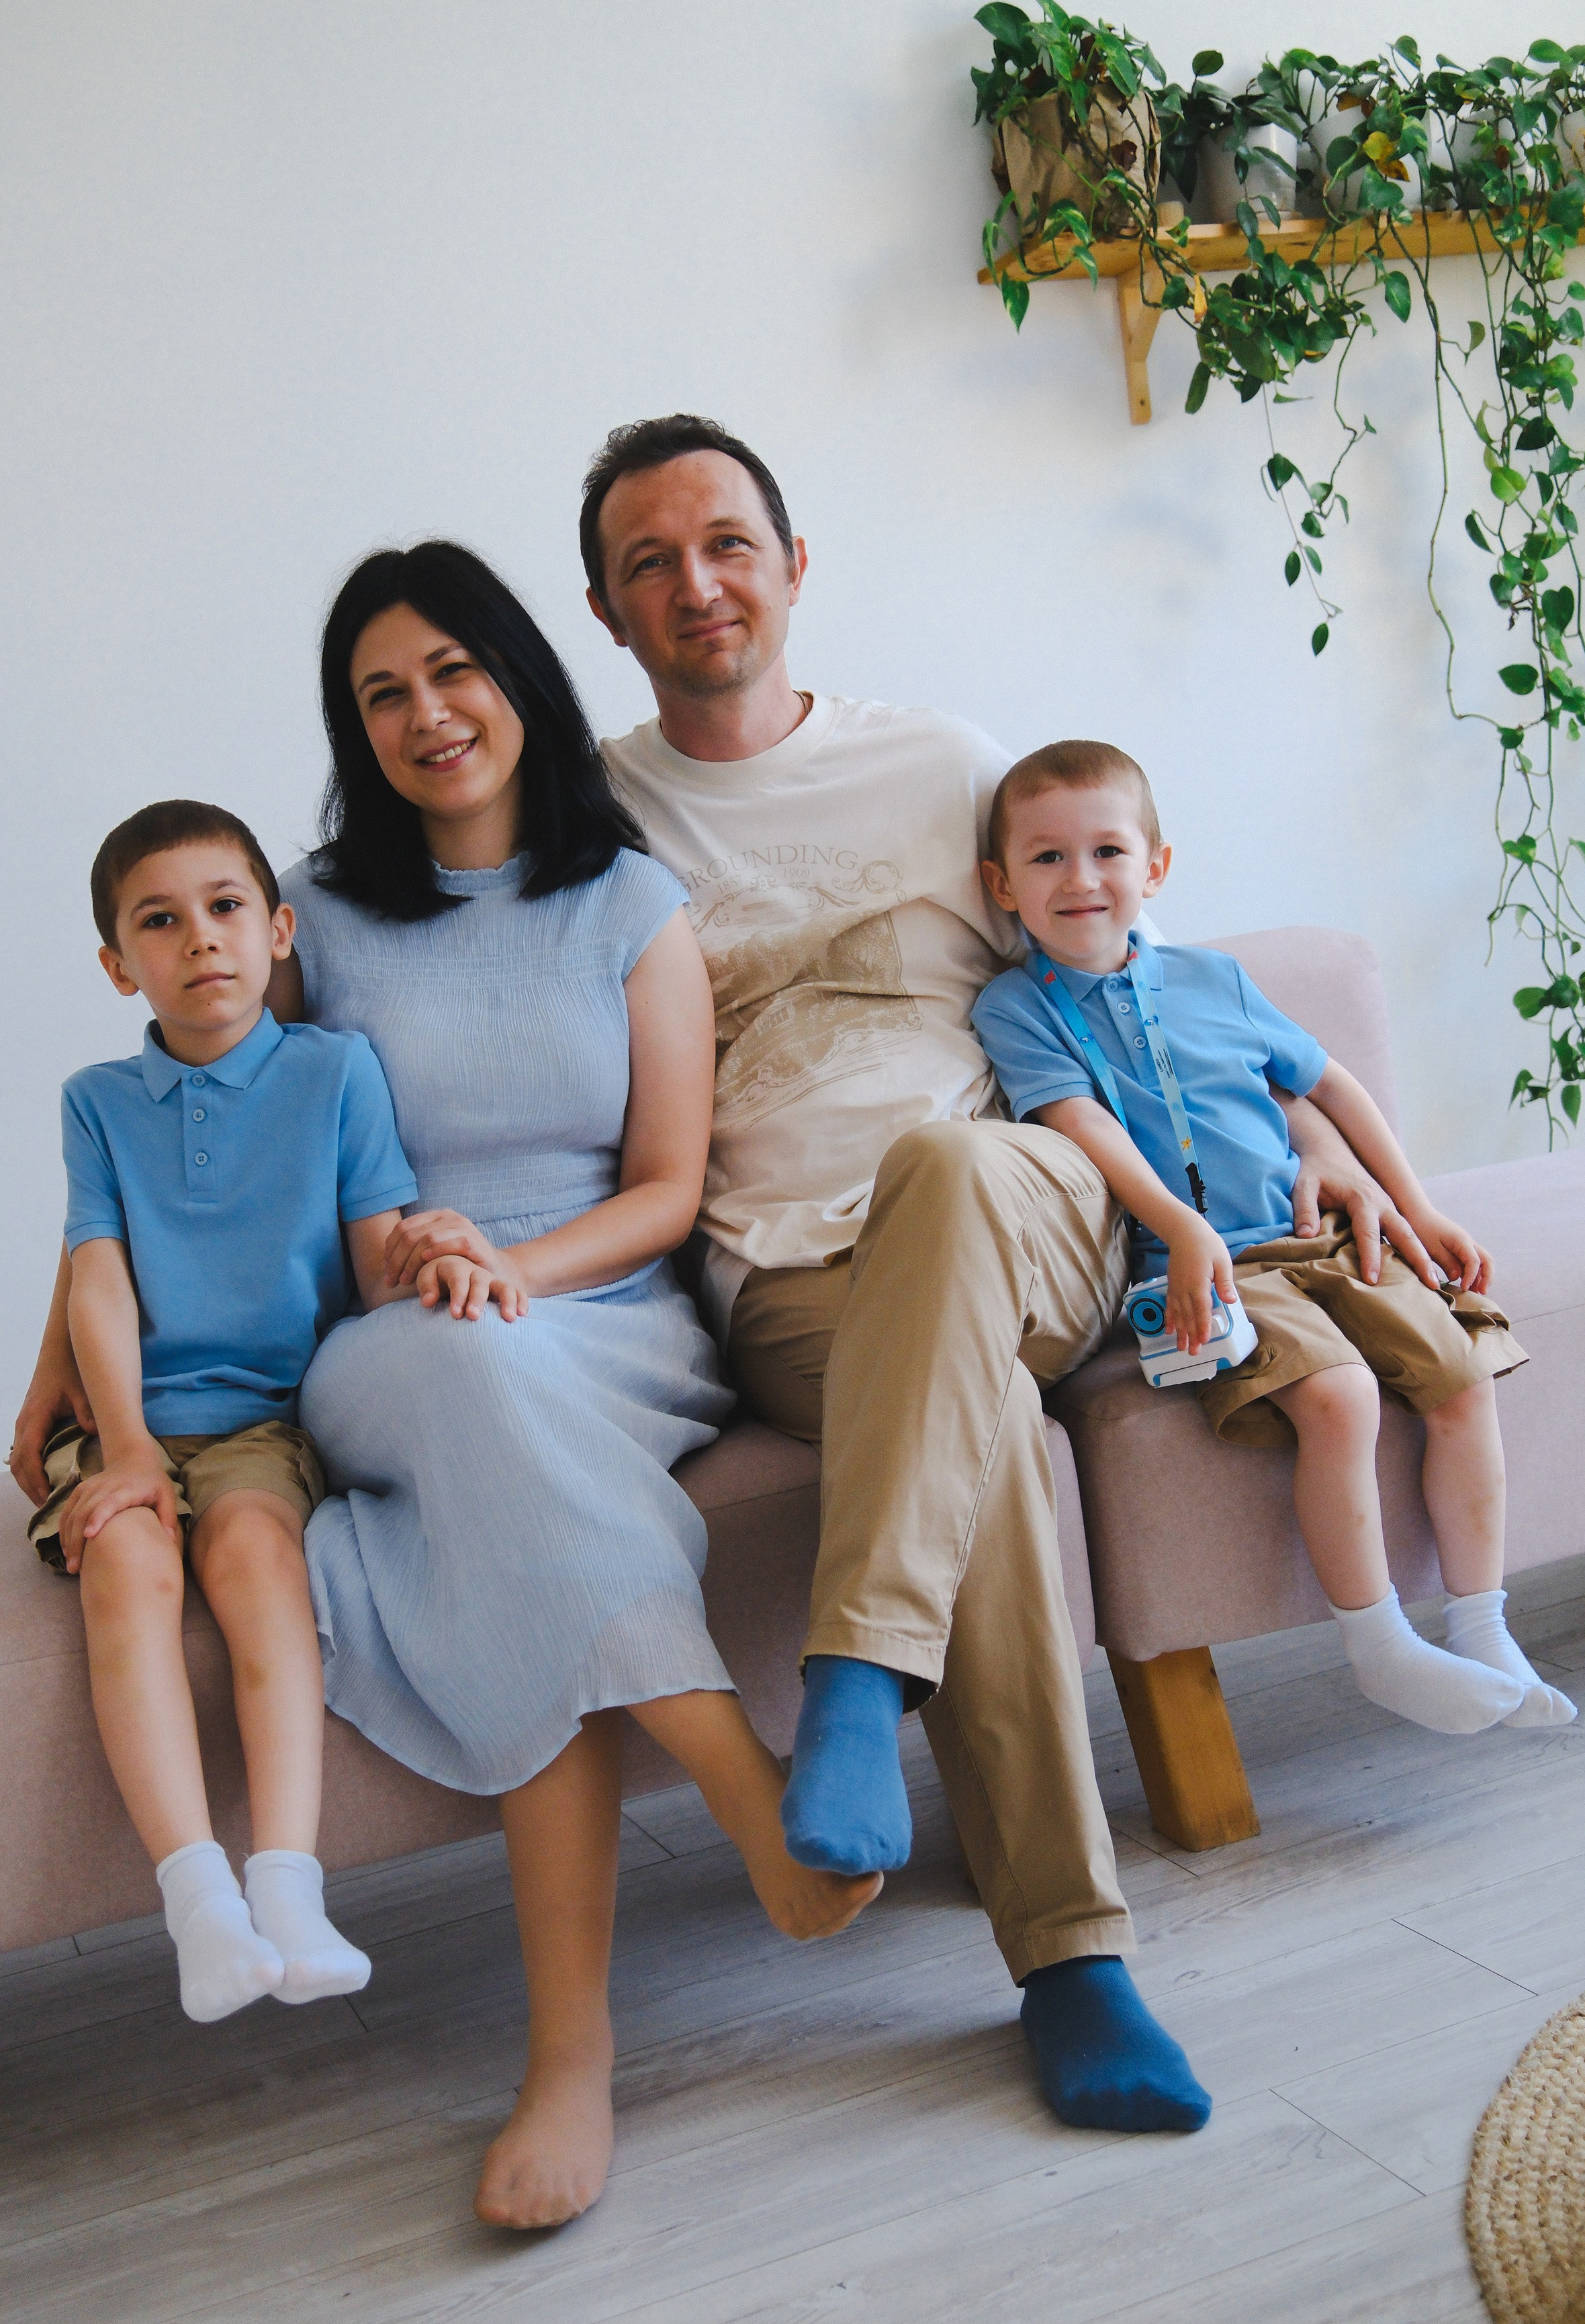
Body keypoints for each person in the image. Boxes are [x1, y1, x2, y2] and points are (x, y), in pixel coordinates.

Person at [11, 545, 880, 2230]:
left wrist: (514, 1272)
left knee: (503, 1500)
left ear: (519, 678)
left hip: (604, 1322)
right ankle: (733, 1775)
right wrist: (65, 1377)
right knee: (461, 1380)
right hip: (385, 1345)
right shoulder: (312, 919)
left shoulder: (630, 906)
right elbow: (192, 1154)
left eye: (453, 669)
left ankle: (570, 2059)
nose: (426, 714)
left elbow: (665, 1183)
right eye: (381, 692)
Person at [584, 412, 1212, 2132]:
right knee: (986, 1429)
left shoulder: (941, 761)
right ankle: (1072, 1963)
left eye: (727, 543)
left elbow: (1123, 956)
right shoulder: (593, 816)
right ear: (604, 609)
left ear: (795, 569)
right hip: (785, 1280)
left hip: (1021, 1207)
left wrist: (1291, 1133)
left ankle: (854, 1679)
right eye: (650, 561)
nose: (696, 583)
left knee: (939, 1161)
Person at [972, 738, 1574, 1735]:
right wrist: (1180, 1228)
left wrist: (1414, 1203)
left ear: (1154, 868)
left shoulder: (1218, 981)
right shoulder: (1018, 1007)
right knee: (1337, 1400)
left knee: (1461, 1378)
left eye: (1108, 852)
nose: (1081, 880)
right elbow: (1077, 1123)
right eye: (1046, 859)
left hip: (1327, 1238)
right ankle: (1378, 1646)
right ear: (1002, 884)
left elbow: (1327, 1082)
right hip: (1208, 1265)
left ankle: (1483, 1624)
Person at [32, 799, 421, 2022]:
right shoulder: (97, 1102)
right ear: (118, 965)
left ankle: (290, 1889)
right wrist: (127, 1447)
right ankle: (197, 1900)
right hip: (132, 1412)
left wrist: (446, 1258)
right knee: (126, 1561)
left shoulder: (336, 1072)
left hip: (269, 1423)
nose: (200, 939)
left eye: (225, 908)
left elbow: (374, 1262)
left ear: (278, 929)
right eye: (161, 921)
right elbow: (97, 1274)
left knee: (257, 1559)